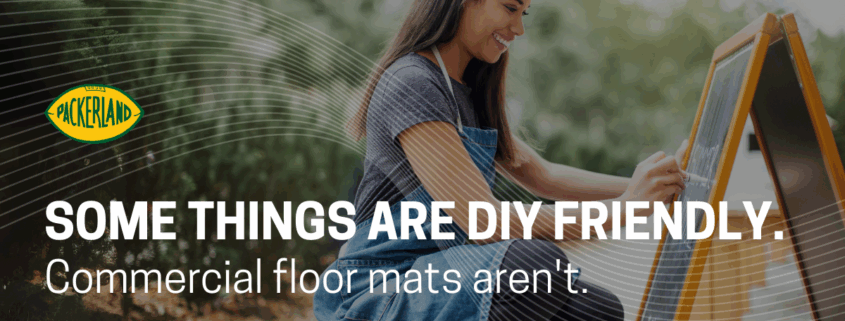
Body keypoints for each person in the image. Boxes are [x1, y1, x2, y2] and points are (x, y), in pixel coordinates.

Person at [314, 0, 688, 320]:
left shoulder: (469, 93)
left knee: (599, 310)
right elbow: (483, 220)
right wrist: (625, 208)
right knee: (538, 268)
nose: (519, 28)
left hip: (440, 273)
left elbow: (545, 176)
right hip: (380, 286)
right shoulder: (412, 82)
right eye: (510, 7)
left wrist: (655, 184)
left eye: (524, 12)